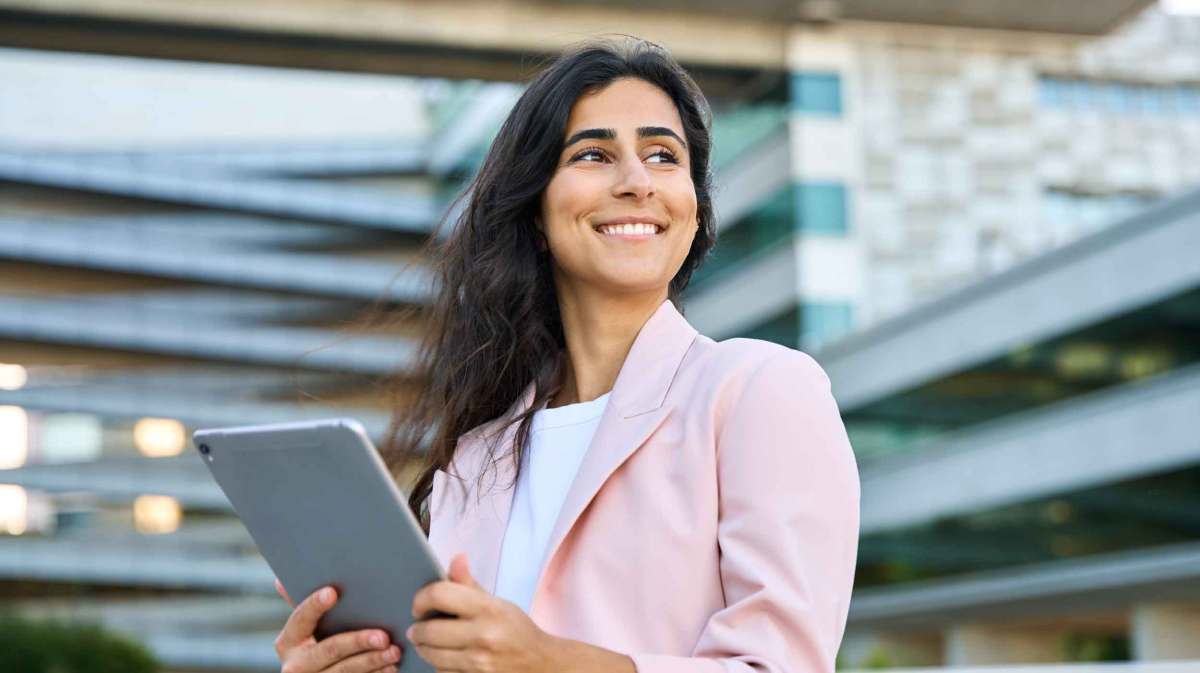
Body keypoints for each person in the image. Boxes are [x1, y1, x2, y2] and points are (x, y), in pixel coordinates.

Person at [272, 36, 860, 673]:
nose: (637, 182)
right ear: (536, 211)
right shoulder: (474, 457)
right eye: (594, 154)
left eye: (663, 156)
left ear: (694, 211)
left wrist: (549, 662)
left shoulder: (760, 390)